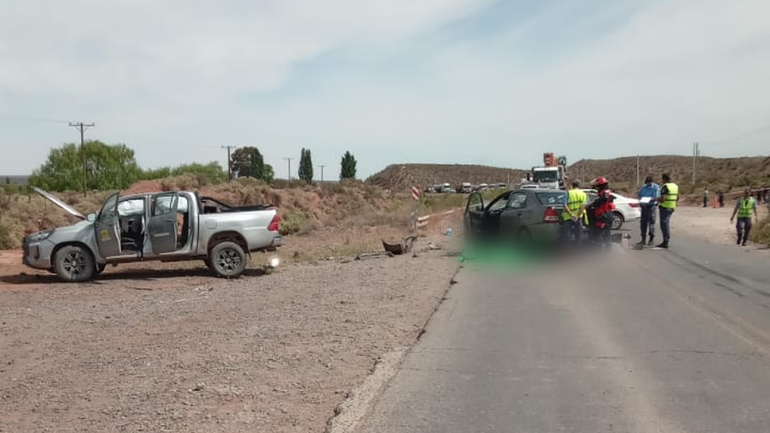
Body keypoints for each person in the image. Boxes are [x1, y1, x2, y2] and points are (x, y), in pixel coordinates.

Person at [586, 176, 615, 250]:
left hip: (603, 215)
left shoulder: (604, 194)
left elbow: (599, 201)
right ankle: (608, 250)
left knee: (599, 233)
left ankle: (599, 251)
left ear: (600, 186)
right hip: (608, 215)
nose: (596, 188)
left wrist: (592, 204)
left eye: (597, 186)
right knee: (607, 233)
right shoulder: (608, 192)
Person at [561, 180, 587, 248]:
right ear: (579, 186)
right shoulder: (583, 194)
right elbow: (583, 206)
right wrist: (577, 216)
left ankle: (568, 251)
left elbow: (565, 205)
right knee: (578, 235)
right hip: (579, 217)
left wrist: (571, 214)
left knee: (567, 235)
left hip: (568, 217)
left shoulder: (568, 193)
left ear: (572, 186)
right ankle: (577, 250)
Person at [657, 173, 679, 249]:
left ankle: (665, 241)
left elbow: (663, 199)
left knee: (664, 225)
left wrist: (656, 199)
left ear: (664, 179)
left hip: (665, 207)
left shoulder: (665, 186)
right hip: (672, 207)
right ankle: (665, 240)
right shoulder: (675, 186)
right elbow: (677, 197)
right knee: (666, 223)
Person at [636, 175, 660, 246]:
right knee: (643, 224)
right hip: (644, 207)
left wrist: (649, 199)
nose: (648, 185)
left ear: (652, 182)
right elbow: (639, 195)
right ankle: (643, 239)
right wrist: (640, 199)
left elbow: (656, 197)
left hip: (651, 207)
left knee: (651, 224)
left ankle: (651, 239)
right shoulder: (643, 187)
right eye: (647, 183)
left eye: (649, 183)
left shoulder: (656, 187)